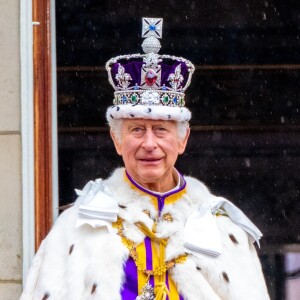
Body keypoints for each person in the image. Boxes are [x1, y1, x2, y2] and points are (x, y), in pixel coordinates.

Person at [21, 18, 270, 300]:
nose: (149, 144)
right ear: (116, 140)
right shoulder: (78, 226)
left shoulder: (223, 228)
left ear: (182, 140)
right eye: (136, 129)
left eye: (161, 129)